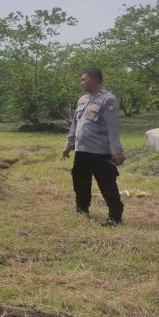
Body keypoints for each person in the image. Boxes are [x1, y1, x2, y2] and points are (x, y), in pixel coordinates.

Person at [62, 68, 125, 227]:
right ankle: (82, 208)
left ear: (96, 80)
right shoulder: (82, 100)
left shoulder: (107, 100)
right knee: (80, 180)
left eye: (84, 79)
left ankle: (115, 216)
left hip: (100, 152)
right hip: (82, 150)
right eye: (81, 79)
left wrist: (116, 151)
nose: (81, 82)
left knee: (107, 184)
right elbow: (75, 125)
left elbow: (112, 128)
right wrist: (68, 145)